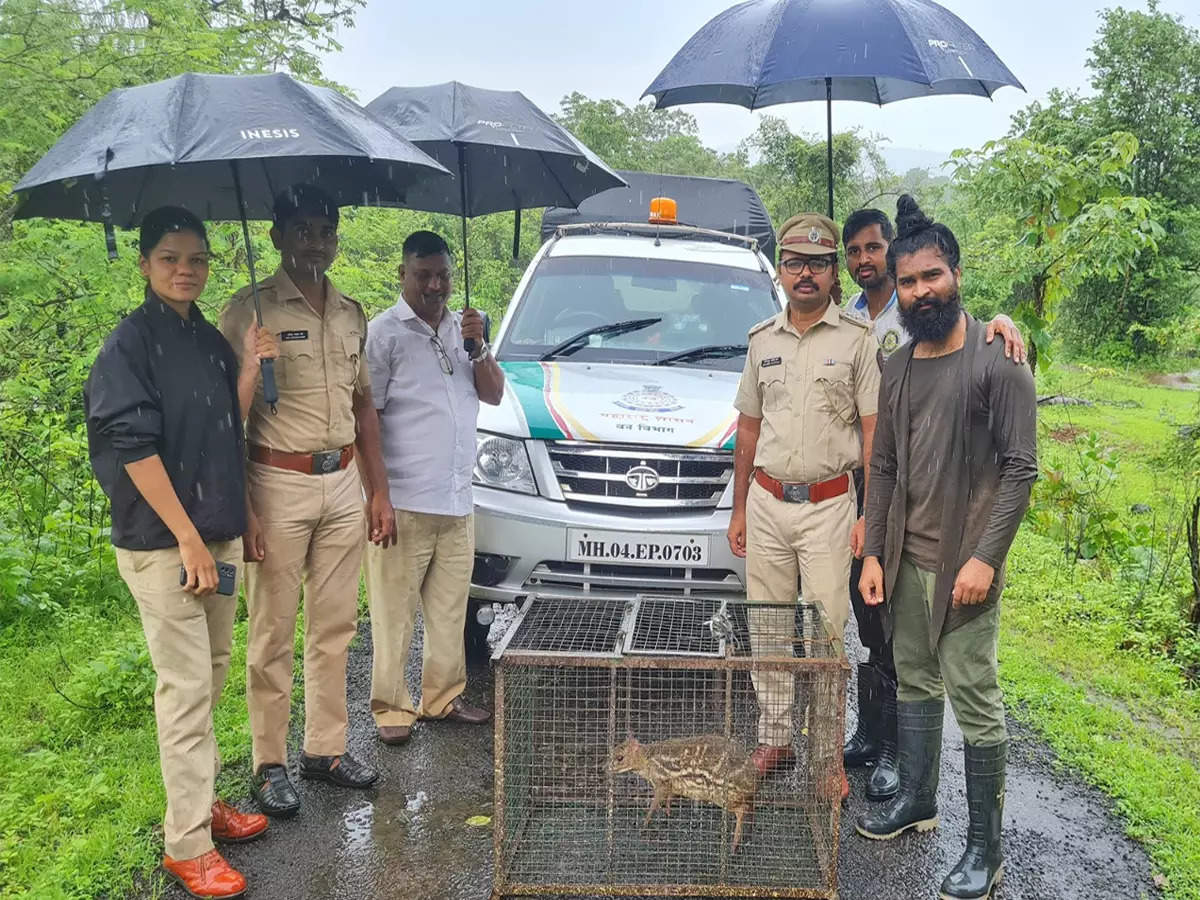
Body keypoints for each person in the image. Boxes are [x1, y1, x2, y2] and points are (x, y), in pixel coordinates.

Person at [85, 206, 276, 899]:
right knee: (187, 688)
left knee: (214, 674)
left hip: (216, 536)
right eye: (169, 258)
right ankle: (187, 843)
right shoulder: (128, 347)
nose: (185, 270)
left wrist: (251, 367)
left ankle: (198, 802)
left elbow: (228, 423)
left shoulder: (205, 339)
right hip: (165, 547)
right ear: (143, 265)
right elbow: (133, 450)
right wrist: (190, 539)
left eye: (196, 259)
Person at [856, 196, 1037, 900]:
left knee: (976, 697)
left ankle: (985, 851)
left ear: (956, 274)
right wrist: (873, 552)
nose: (921, 290)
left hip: (965, 566)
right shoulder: (897, 366)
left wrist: (985, 559)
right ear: (895, 291)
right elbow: (886, 467)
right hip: (905, 560)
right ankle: (918, 800)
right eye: (908, 282)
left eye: (932, 276)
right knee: (917, 678)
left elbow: (1021, 468)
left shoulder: (998, 360)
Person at [219, 185, 396, 818]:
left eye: (325, 229)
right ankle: (269, 763)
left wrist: (379, 491)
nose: (315, 241)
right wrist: (245, 509)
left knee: (335, 626)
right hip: (277, 481)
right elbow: (225, 421)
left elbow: (362, 405)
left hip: (344, 481)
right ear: (275, 237)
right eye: (302, 229)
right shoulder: (247, 312)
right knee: (272, 630)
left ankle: (324, 750)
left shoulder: (352, 312)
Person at [728, 213, 880, 782]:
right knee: (766, 629)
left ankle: (823, 756)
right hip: (766, 504)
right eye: (794, 263)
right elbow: (747, 428)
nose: (806, 274)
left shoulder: (856, 341)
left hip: (829, 507)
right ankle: (775, 740)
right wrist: (740, 507)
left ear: (833, 271)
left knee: (825, 631)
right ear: (781, 272)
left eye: (818, 263)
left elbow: (873, 436)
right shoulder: (761, 341)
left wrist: (869, 515)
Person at [363, 231, 504, 745]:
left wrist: (479, 347)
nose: (435, 284)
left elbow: (493, 394)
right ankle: (391, 706)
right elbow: (367, 421)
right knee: (394, 611)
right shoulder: (383, 334)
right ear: (403, 274)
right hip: (403, 500)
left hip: (456, 500)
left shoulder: (466, 329)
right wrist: (377, 496)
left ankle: (442, 697)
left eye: (442, 274)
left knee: (448, 610)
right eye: (423, 274)